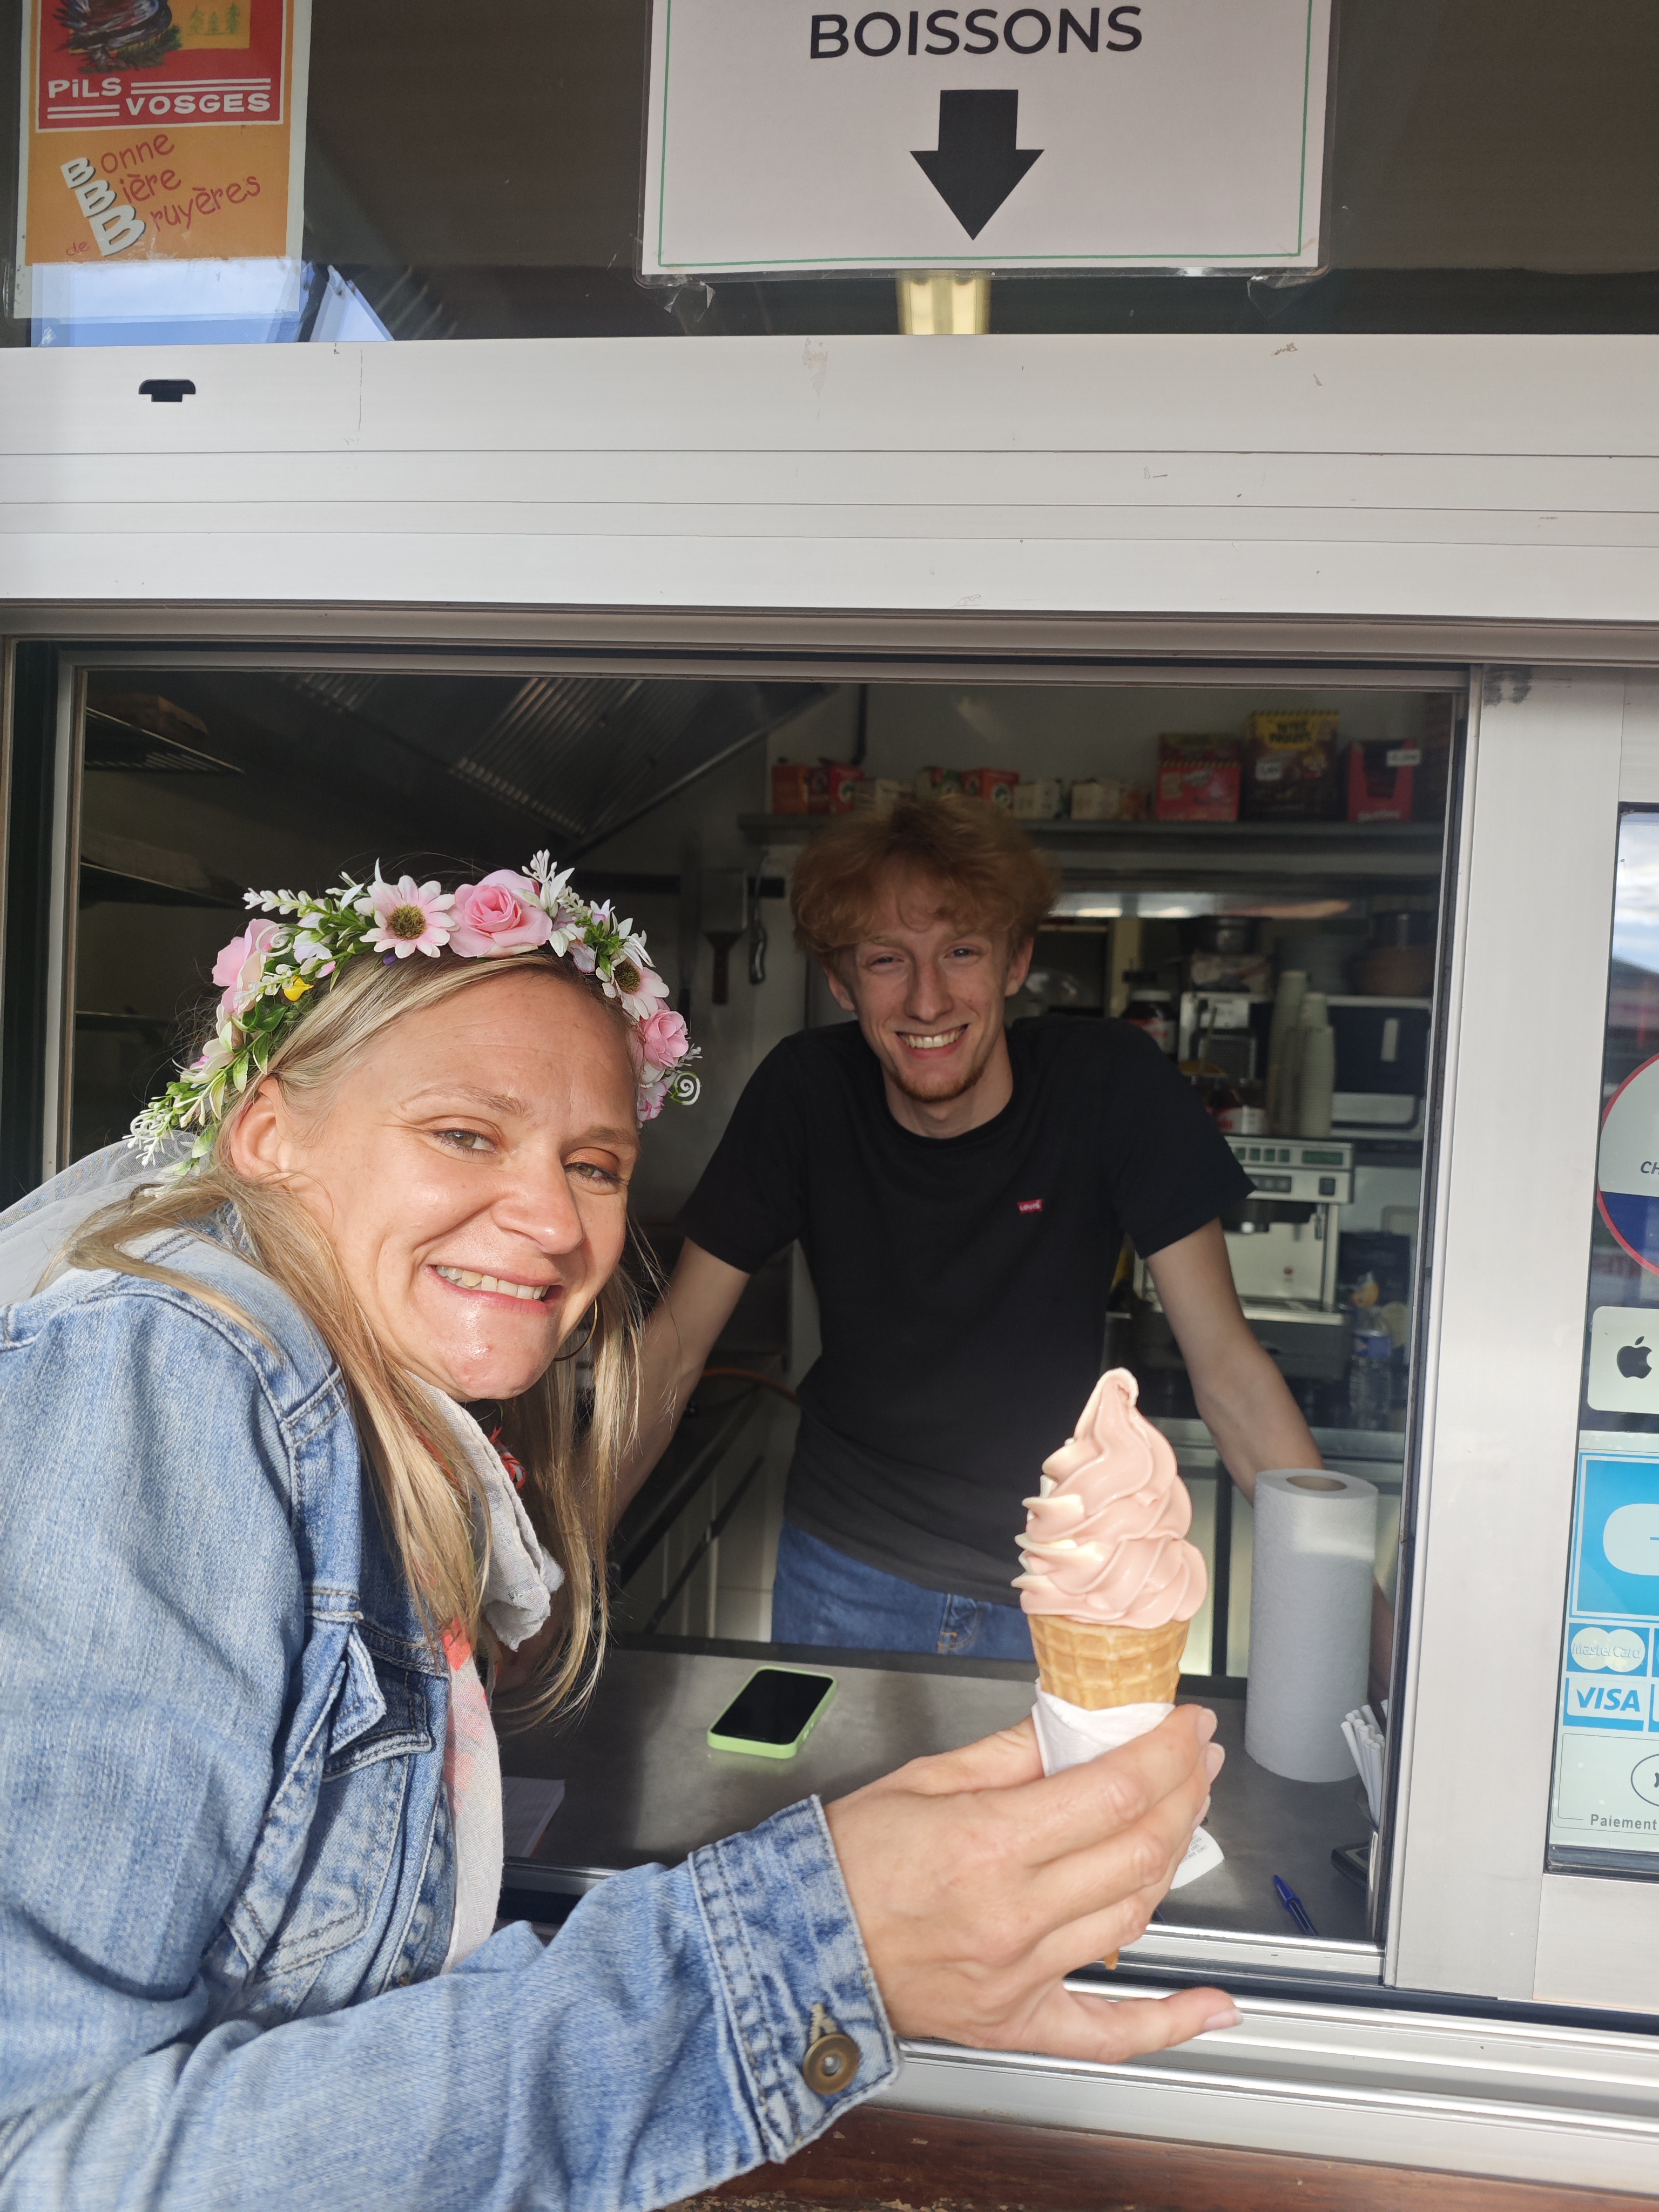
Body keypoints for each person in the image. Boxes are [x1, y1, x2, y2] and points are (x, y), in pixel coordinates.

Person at [0, 854, 1236, 2210]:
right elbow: (45, 2154)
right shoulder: (166, 1383)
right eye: (464, 1133)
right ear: (266, 1132)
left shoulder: (363, 1416)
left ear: (1018, 963)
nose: (551, 1221)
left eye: (595, 1164)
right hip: (858, 1540)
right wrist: (825, 1947)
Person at [625, 800, 1360, 1670]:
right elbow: (673, 1350)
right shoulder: (806, 1095)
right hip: (846, 1575)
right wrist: (557, 1574)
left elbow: (1232, 1375)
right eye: (886, 960)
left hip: (1065, 1586)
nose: (927, 999)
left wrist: (1364, 1631)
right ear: (841, 982)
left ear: (1017, 961)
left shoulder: (1111, 1085)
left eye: (962, 952)